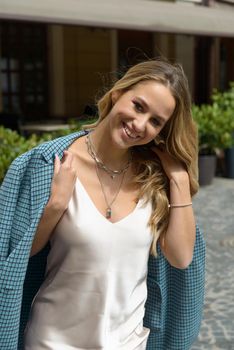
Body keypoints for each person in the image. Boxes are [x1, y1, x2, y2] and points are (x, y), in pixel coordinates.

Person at [0, 59, 205, 350]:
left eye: (156, 121)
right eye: (138, 106)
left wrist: (179, 180)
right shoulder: (48, 165)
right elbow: (14, 255)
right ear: (117, 94)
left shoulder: (155, 181)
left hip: (129, 343)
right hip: (51, 341)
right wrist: (56, 206)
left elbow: (181, 258)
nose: (140, 124)